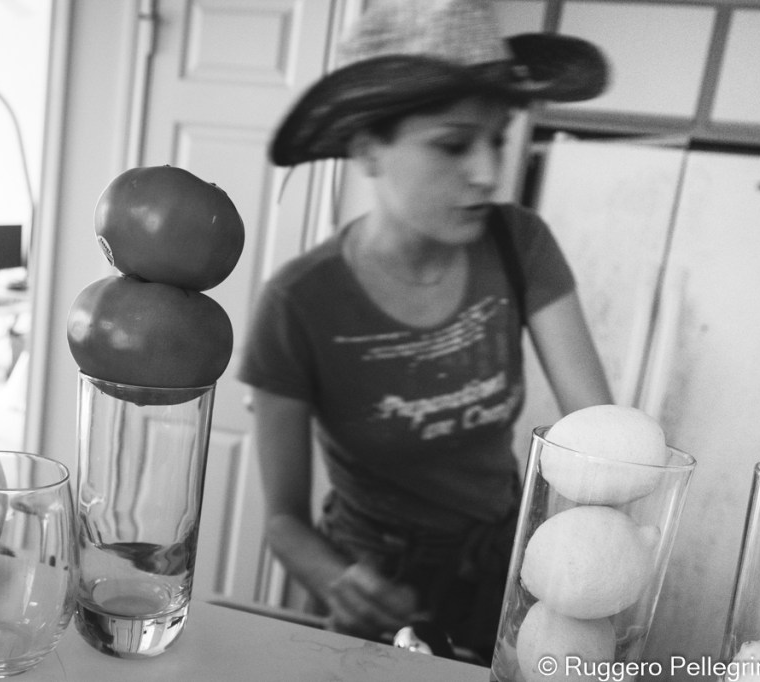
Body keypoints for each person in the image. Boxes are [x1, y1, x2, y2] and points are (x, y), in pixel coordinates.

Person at [237, 0, 614, 664]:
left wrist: (591, 556)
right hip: (376, 578)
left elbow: (601, 440)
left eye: (497, 139)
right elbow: (283, 520)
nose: (488, 173)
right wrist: (335, 579)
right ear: (368, 148)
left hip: (507, 557)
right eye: (452, 144)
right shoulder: (299, 303)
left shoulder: (519, 243)